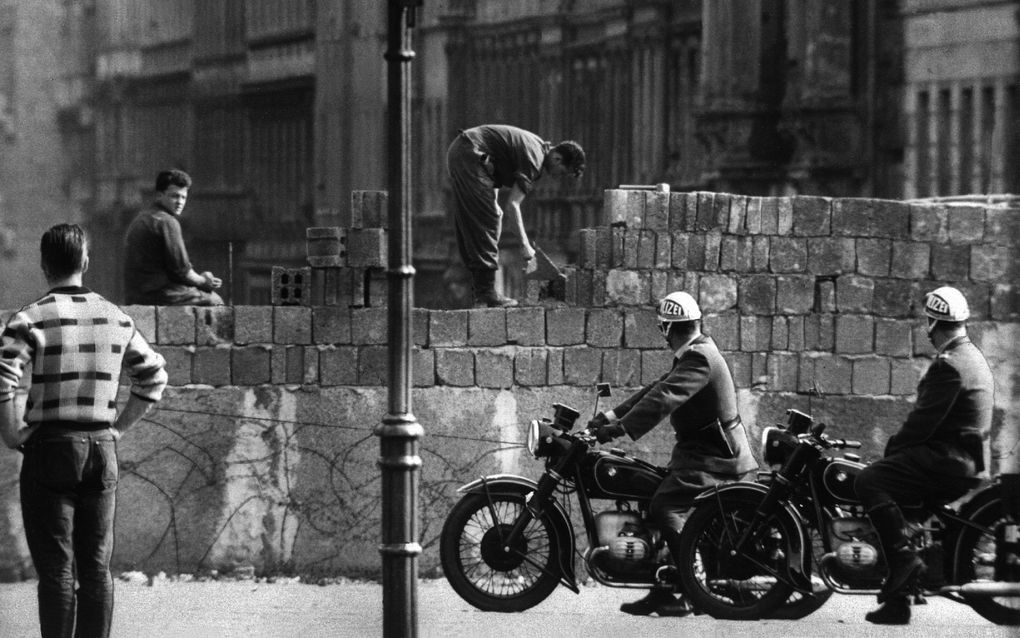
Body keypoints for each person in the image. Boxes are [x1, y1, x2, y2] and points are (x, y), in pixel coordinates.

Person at [0, 224, 168, 638]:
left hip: (49, 449)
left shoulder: (29, 317)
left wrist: (11, 432)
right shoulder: (116, 317)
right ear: (86, 263)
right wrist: (118, 429)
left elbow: (4, 375)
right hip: (100, 450)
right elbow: (154, 378)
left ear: (44, 266)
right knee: (95, 569)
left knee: (56, 570)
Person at [590, 291, 758, 616]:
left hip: (719, 457)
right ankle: (665, 587)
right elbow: (654, 389)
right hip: (702, 453)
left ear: (667, 328)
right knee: (652, 493)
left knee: (664, 507)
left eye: (663, 330)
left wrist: (616, 431)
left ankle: (690, 588)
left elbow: (663, 399)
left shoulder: (699, 358)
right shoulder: (695, 353)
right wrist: (606, 419)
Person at [855, 285, 993, 625]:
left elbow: (922, 423)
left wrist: (890, 452)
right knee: (900, 505)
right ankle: (898, 602)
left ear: (933, 323)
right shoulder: (972, 356)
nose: (928, 332)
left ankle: (903, 561)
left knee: (870, 479)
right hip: (962, 460)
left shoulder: (949, 365)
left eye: (928, 323)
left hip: (948, 460)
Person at [446, 124, 585, 308]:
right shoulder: (535, 159)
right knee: (487, 220)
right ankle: (486, 293)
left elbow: (494, 164)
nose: (558, 178)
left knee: (489, 215)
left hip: (467, 152)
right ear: (558, 158)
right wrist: (526, 246)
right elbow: (513, 205)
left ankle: (481, 290)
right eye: (562, 173)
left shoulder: (537, 146)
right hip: (470, 154)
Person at [123, 169, 224, 306]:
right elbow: (182, 272)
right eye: (174, 196)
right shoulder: (167, 222)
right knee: (216, 301)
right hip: (160, 295)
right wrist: (204, 281)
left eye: (183, 197)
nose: (180, 202)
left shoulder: (141, 219)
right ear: (159, 195)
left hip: (135, 296)